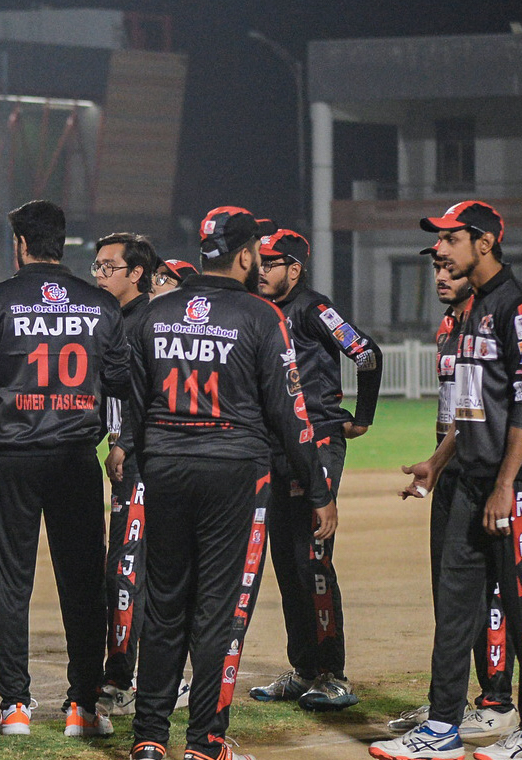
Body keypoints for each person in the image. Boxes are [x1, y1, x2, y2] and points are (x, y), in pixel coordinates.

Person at [128, 207, 336, 760]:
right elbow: (291, 412)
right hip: (234, 473)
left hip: (165, 468)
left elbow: (134, 403)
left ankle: (148, 739)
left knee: (164, 605)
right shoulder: (262, 316)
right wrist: (318, 490)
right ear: (245, 256)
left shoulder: (156, 311)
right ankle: (205, 743)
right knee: (220, 611)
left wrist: (146, 462)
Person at [373, 201, 522, 760]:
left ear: (484, 243)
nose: (440, 249)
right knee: (456, 605)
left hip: (512, 485)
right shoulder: (472, 309)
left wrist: (506, 484)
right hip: (470, 478)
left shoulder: (517, 307)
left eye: (450, 239)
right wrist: (438, 461)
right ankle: (441, 727)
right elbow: (471, 404)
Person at [0, 200, 129, 738]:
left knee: (9, 581)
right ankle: (83, 706)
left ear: (21, 244)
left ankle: (15, 706)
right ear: (61, 242)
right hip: (75, 458)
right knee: (83, 583)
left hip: (11, 459)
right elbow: (123, 383)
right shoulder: (100, 304)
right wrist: (121, 441)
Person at [248, 228, 382, 711]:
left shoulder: (312, 307)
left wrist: (361, 418)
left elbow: (366, 352)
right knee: (286, 561)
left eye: (271, 262)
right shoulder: (260, 309)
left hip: (318, 441)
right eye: (259, 261)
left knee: (312, 559)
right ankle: (304, 669)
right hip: (276, 444)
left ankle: (332, 674)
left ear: (294, 268)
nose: (261, 269)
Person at [93, 231, 158, 715]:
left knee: (126, 568)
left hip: (143, 462)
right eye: (96, 266)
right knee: (135, 569)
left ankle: (121, 678)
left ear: (136, 273)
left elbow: (149, 395)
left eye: (108, 267)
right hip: (128, 457)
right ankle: (148, 673)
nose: (99, 275)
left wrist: (124, 442)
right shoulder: (113, 319)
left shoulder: (146, 322)